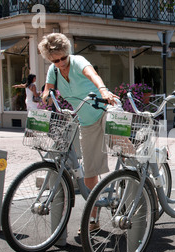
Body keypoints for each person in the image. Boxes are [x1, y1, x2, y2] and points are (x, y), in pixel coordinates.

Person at [38, 33, 119, 233]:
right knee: (90, 173)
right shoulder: (54, 71)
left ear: (67, 53)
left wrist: (103, 91)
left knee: (124, 149)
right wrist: (47, 95)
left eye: (62, 58)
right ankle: (93, 221)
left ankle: (137, 177)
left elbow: (94, 75)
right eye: (55, 60)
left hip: (105, 108)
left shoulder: (78, 61)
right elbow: (47, 90)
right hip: (86, 120)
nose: (60, 63)